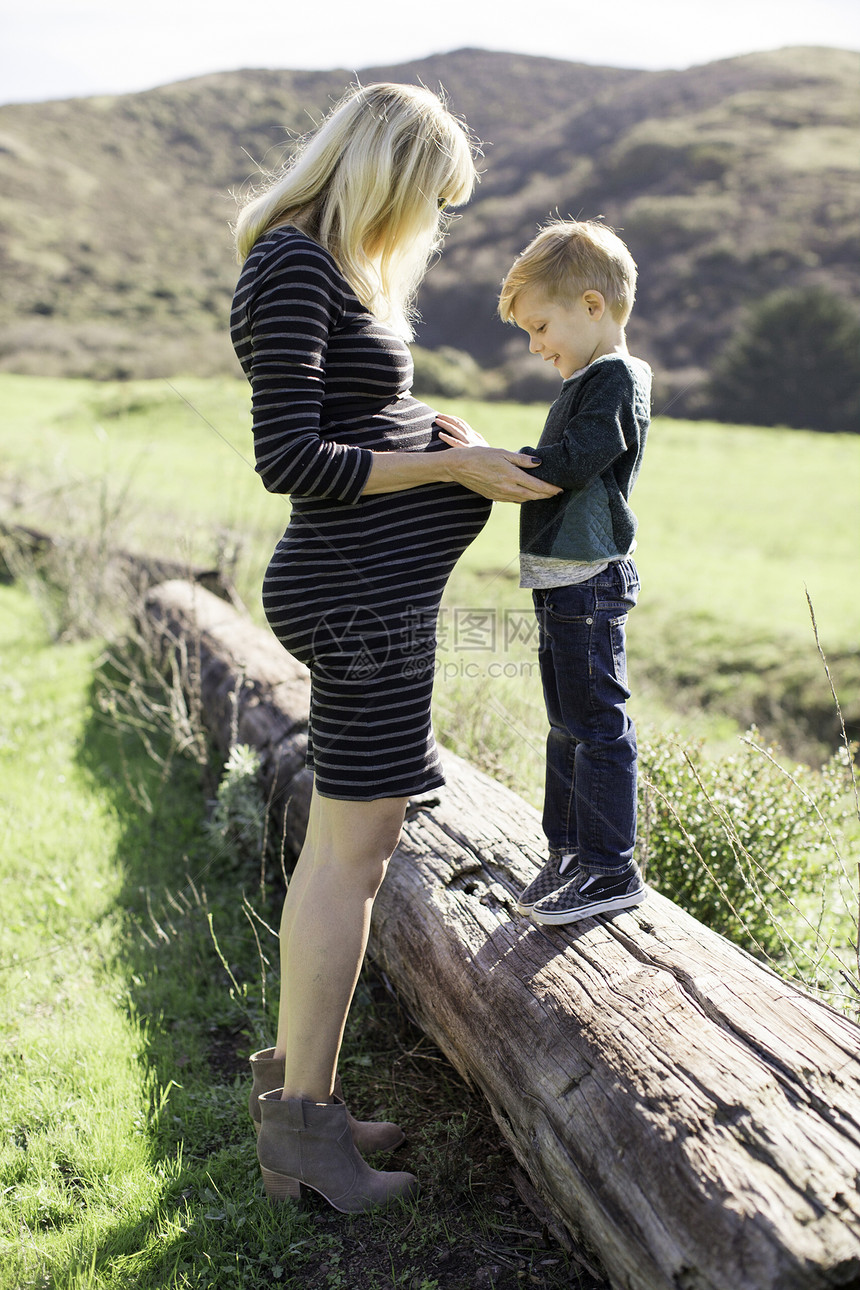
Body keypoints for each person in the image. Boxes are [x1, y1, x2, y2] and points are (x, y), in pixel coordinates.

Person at [230, 82, 559, 1214]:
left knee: (345, 850)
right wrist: (449, 468)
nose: (429, 222)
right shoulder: (292, 265)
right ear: (384, 173)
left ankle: (295, 1094)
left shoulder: (325, 272)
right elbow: (294, 460)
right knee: (349, 858)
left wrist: (436, 434)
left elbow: (353, 427)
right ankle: (304, 1139)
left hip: (378, 593)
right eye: (430, 197)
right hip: (353, 595)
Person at [497, 219, 651, 926]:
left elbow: (569, 465)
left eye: (540, 326)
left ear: (593, 306)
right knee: (566, 724)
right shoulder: (591, 376)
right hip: (563, 580)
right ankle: (567, 852)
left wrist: (491, 463)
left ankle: (610, 868)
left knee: (597, 726)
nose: (535, 347)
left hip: (588, 580)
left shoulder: (614, 380)